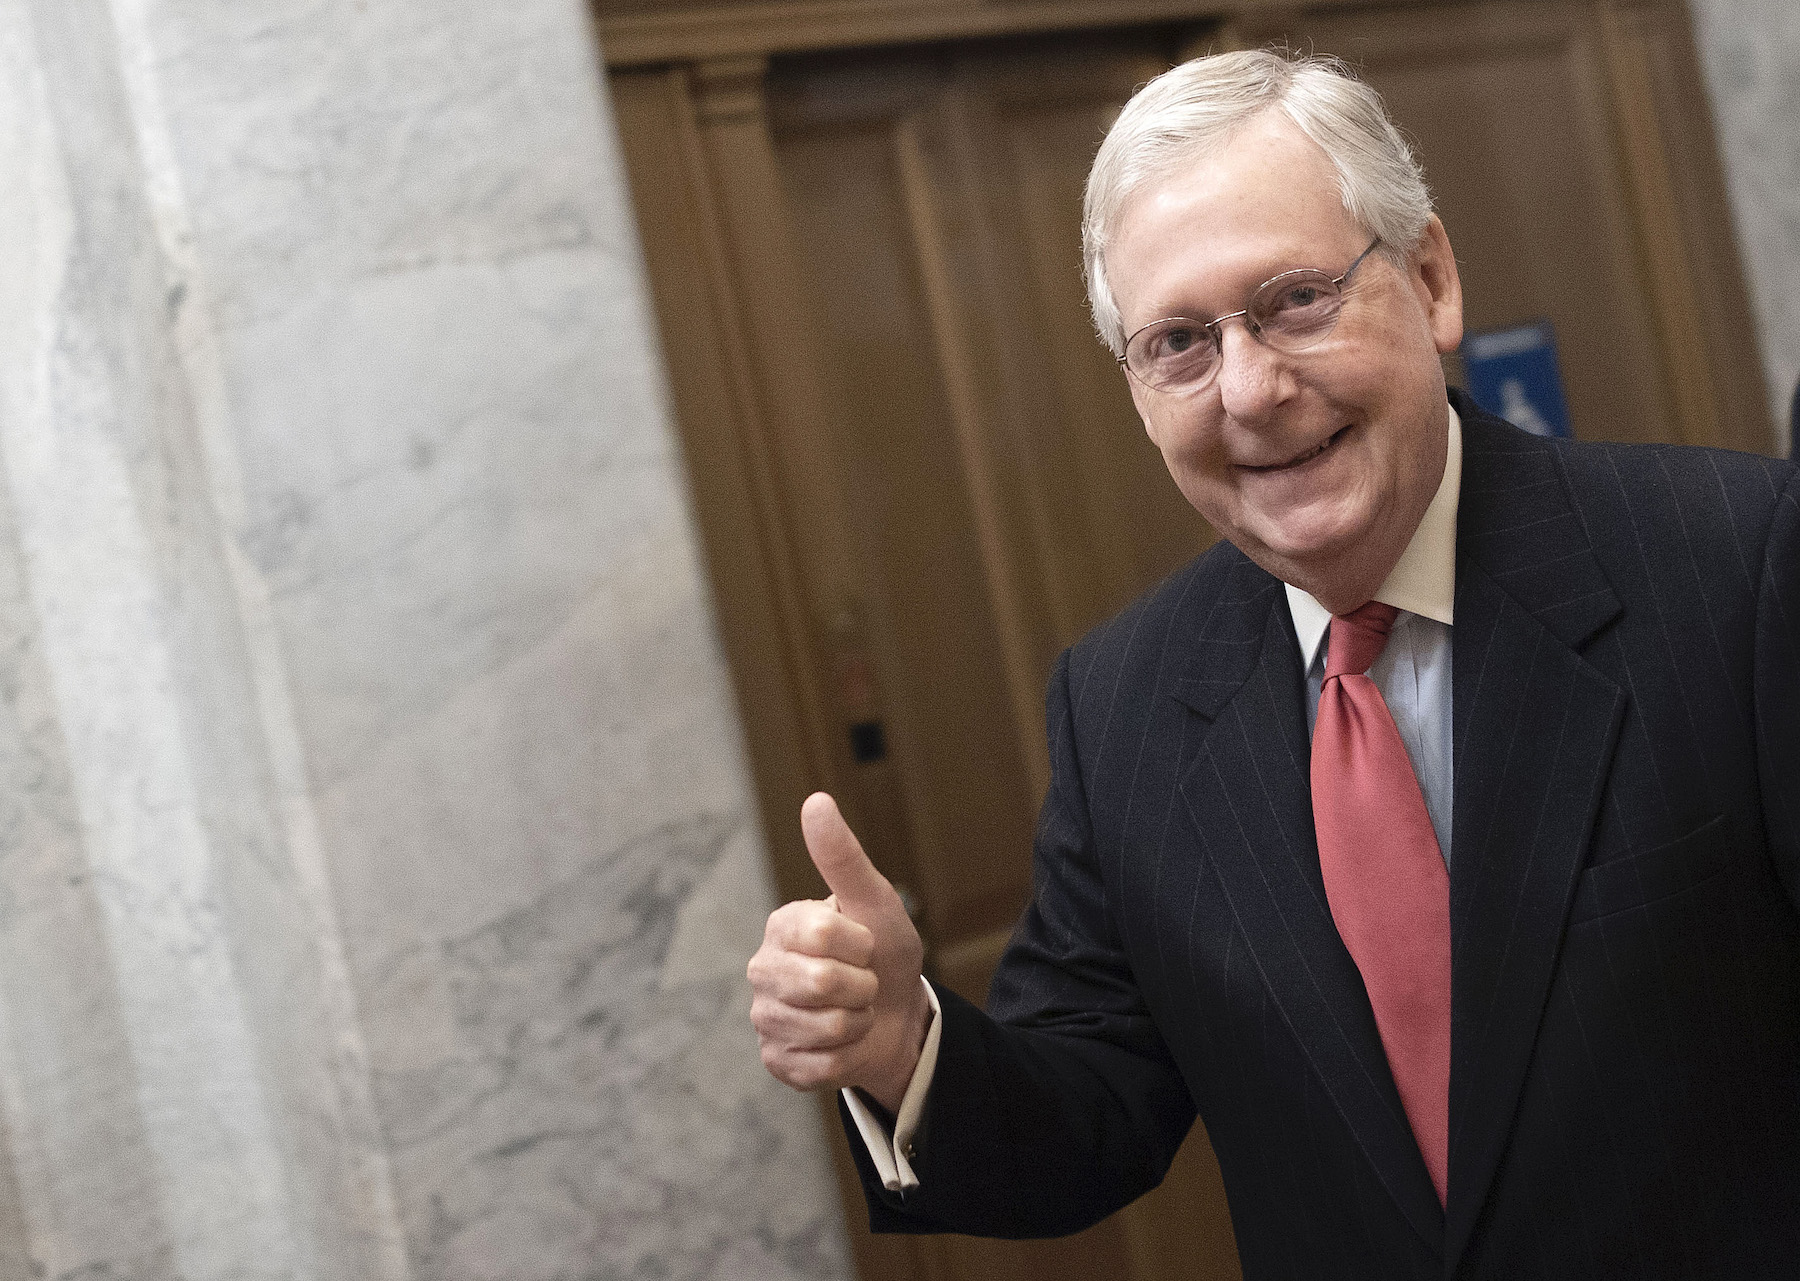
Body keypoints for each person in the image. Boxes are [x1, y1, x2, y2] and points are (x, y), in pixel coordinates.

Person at [748, 50, 1800, 1279]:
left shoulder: (1736, 566)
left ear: (1431, 278)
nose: (1250, 389)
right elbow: (1088, 1118)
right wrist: (901, 1049)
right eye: (1180, 342)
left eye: (1298, 299)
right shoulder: (1122, 701)